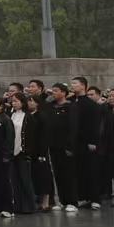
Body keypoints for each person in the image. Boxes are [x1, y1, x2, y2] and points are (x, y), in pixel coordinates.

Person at [46, 83, 78, 212]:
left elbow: (73, 127)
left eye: (56, 91)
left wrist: (70, 146)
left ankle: (72, 201)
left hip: (66, 145)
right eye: (53, 90)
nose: (53, 93)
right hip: (54, 145)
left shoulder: (71, 106)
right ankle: (63, 200)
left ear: (64, 92)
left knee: (68, 174)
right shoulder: (50, 106)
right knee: (58, 173)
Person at [70, 77, 100, 210]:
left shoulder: (90, 104)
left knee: (91, 171)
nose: (72, 85)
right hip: (75, 142)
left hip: (88, 143)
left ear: (83, 86)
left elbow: (94, 124)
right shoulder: (72, 101)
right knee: (79, 171)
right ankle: (83, 197)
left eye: (75, 83)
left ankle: (95, 199)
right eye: (71, 83)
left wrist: (93, 141)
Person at [24, 93, 54, 212]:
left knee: (43, 176)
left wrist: (42, 153)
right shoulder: (26, 116)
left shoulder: (42, 116)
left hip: (40, 151)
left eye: (32, 101)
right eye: (28, 101)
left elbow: (44, 136)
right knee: (32, 177)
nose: (29, 103)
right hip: (29, 150)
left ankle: (46, 202)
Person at [8, 93, 36, 214]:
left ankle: (29, 206)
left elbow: (32, 135)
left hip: (23, 151)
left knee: (25, 180)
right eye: (13, 101)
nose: (14, 103)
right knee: (15, 180)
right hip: (12, 151)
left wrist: (29, 150)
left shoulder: (28, 116)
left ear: (23, 102)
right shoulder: (11, 115)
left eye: (16, 101)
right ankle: (18, 205)